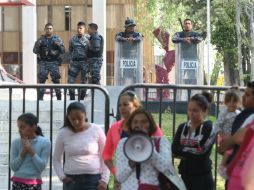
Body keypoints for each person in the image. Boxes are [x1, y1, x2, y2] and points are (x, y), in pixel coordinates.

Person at [102, 91, 162, 190]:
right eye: (120, 105)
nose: (122, 108)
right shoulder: (115, 128)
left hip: (146, 177)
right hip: (122, 179)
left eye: (126, 104)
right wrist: (115, 171)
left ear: (136, 106)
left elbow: (161, 150)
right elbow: (106, 154)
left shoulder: (150, 126)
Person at [115, 108, 186, 190]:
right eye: (135, 122)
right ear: (131, 125)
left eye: (143, 122)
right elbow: (120, 177)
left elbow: (167, 170)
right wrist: (132, 162)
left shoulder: (161, 141)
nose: (139, 125)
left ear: (150, 124)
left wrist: (149, 148)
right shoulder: (123, 144)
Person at [53, 101, 109, 190]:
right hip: (71, 181)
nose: (76, 121)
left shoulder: (96, 130)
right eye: (72, 119)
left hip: (94, 180)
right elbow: (56, 159)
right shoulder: (63, 133)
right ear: (68, 118)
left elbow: (106, 156)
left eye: (79, 118)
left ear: (85, 115)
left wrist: (105, 180)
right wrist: (62, 176)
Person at [172, 92, 216, 190]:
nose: (191, 113)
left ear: (204, 111)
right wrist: (193, 149)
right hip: (185, 174)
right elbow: (174, 149)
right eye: (189, 110)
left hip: (202, 176)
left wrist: (183, 150)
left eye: (195, 110)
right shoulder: (182, 127)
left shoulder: (209, 128)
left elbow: (202, 153)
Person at [10, 113, 51, 190]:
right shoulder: (15, 142)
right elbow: (13, 167)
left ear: (33, 127)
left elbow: (41, 167)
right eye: (19, 127)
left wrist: (30, 150)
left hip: (34, 183)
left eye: (22, 127)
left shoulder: (45, 142)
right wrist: (23, 153)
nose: (19, 130)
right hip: (17, 182)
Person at [33, 23, 65, 100]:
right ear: (45, 29)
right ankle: (40, 99)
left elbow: (63, 50)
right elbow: (34, 51)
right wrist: (38, 44)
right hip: (43, 62)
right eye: (47, 28)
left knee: (56, 81)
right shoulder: (41, 39)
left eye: (50, 28)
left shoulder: (57, 39)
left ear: (52, 29)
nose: (49, 30)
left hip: (54, 62)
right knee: (42, 80)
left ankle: (59, 99)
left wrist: (59, 45)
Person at [214, 88, 241, 178]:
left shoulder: (239, 113)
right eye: (229, 101)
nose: (232, 104)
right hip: (223, 137)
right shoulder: (224, 113)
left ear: (238, 102)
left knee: (235, 150)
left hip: (233, 138)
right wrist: (223, 134)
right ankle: (222, 166)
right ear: (226, 102)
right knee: (230, 150)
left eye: (234, 101)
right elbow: (217, 125)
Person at [68, 21, 89, 100]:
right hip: (74, 63)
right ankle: (72, 99)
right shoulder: (73, 39)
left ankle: (82, 99)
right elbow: (70, 51)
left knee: (84, 82)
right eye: (78, 28)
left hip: (85, 62)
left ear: (84, 29)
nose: (79, 30)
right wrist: (69, 61)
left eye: (81, 28)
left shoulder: (88, 38)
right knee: (70, 81)